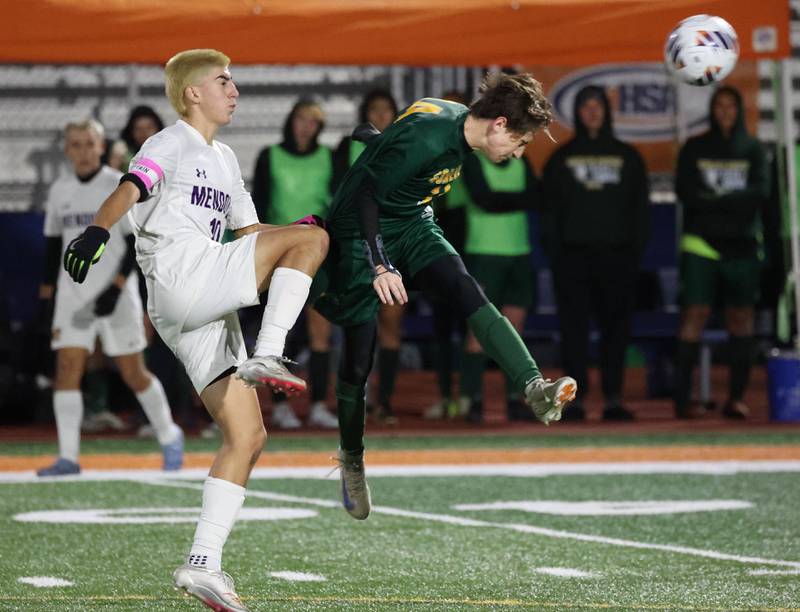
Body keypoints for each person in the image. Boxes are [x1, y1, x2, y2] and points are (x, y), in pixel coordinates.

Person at [62, 49, 329, 611]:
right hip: (188, 275)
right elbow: (131, 187)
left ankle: (203, 563)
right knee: (312, 244)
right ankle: (271, 352)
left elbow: (251, 230)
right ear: (191, 94)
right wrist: (96, 230)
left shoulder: (227, 158)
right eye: (223, 81)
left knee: (248, 436)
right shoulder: (169, 142)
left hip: (192, 305)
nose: (235, 90)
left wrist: (299, 230)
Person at [314, 73, 577, 521]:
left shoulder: (451, 120)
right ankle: (352, 457)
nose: (518, 152)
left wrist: (379, 142)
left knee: (465, 287)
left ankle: (533, 386)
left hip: (413, 222)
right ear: (498, 124)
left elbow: (399, 143)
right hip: (361, 233)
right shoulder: (432, 138)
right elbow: (365, 195)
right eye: (520, 141)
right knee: (360, 356)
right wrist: (378, 262)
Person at [37, 118, 184, 476]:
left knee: (134, 373)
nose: (84, 151)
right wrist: (46, 298)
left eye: (90, 143)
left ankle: (169, 434)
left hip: (117, 298)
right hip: (73, 296)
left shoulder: (117, 186)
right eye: (76, 144)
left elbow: (135, 244)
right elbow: (53, 245)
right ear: (68, 150)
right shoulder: (59, 190)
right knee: (68, 370)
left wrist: (117, 288)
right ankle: (68, 456)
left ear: (101, 147)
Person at [541, 85, 650, 422]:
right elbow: (550, 215)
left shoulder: (629, 157)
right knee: (573, 332)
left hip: (617, 260)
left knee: (615, 331)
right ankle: (576, 400)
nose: (592, 111)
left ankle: (614, 398)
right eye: (585, 106)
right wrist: (557, 257)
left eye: (597, 105)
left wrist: (633, 256)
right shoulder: (560, 158)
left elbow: (640, 212)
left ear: (606, 110)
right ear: (577, 112)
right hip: (572, 260)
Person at [673, 85, 769, 420]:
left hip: (742, 247)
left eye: (732, 106)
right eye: (720, 105)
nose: (725, 111)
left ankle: (737, 398)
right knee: (693, 316)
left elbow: (760, 193)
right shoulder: (695, 147)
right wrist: (732, 200)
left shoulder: (753, 148)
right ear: (712, 110)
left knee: (741, 320)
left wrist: (716, 200)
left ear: (740, 110)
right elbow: (687, 193)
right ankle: (682, 402)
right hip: (701, 245)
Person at [251, 99, 339, 430]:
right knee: (277, 330)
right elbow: (258, 205)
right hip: (278, 253)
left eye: (313, 121)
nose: (306, 126)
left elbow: (336, 204)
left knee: (321, 333)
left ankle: (317, 404)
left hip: (317, 253)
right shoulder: (269, 156)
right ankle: (280, 407)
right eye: (301, 119)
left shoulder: (328, 158)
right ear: (291, 120)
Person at [334, 89, 403, 424]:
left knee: (391, 323)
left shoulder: (405, 150)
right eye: (373, 110)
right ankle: (351, 402)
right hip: (351, 246)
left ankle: (385, 402)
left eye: (386, 110)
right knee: (356, 324)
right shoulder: (347, 148)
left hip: (392, 244)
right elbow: (339, 193)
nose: (380, 116)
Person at [458, 146, 541, 423]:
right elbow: (483, 199)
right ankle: (472, 400)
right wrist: (519, 200)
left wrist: (503, 200)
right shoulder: (473, 160)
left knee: (515, 328)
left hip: (519, 251)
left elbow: (536, 196)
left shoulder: (521, 161)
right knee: (480, 331)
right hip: (484, 252)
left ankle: (515, 399)